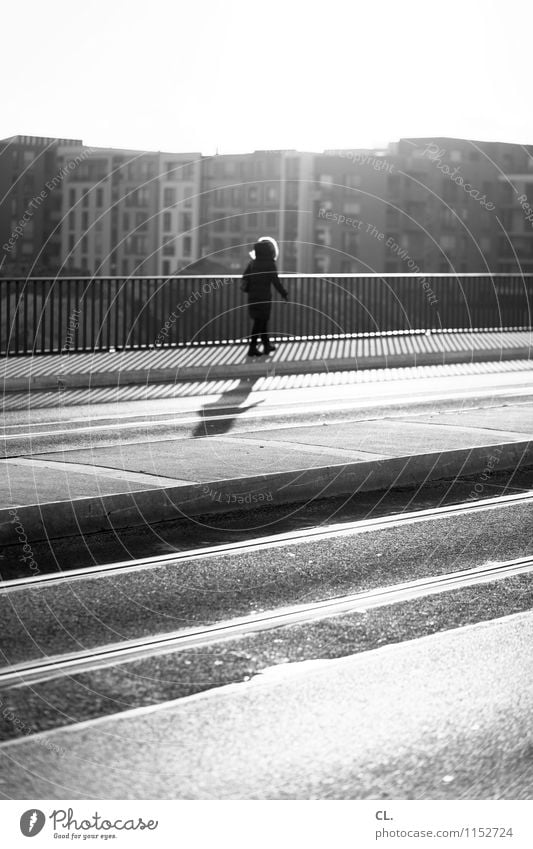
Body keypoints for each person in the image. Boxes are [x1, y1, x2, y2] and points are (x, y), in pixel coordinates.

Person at [242, 237, 288, 357]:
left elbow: (245, 277)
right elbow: (276, 282)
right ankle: (252, 348)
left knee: (261, 322)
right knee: (260, 322)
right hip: (264, 298)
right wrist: (284, 294)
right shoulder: (269, 264)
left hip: (253, 297)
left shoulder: (253, 263)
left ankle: (266, 345)